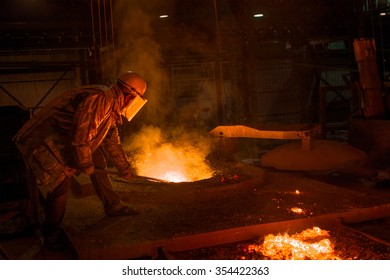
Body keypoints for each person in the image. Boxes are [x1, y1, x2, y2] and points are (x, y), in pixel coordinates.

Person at [13, 71, 148, 251]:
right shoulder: (101, 100)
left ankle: (113, 205)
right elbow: (80, 137)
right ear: (130, 95)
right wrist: (84, 164)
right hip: (46, 139)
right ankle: (51, 234)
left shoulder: (111, 103)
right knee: (61, 185)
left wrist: (124, 167)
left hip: (65, 139)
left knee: (98, 159)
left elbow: (110, 140)